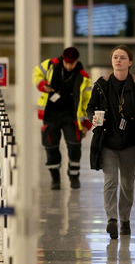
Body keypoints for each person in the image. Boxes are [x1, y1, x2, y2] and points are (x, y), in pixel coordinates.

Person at [87, 45, 135, 239]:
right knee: (110, 182)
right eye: (115, 57)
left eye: (123, 58)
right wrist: (92, 116)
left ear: (130, 62)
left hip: (131, 143)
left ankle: (125, 219)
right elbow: (90, 106)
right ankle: (112, 220)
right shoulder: (101, 84)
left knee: (127, 184)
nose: (118, 60)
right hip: (108, 142)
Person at [33, 46, 93, 190]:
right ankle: (55, 178)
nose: (68, 66)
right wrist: (42, 85)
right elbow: (36, 74)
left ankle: (74, 177)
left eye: (71, 63)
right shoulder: (51, 65)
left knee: (74, 146)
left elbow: (87, 102)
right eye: (66, 63)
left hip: (71, 116)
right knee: (50, 146)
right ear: (63, 59)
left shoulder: (84, 77)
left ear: (76, 61)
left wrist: (86, 124)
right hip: (51, 114)